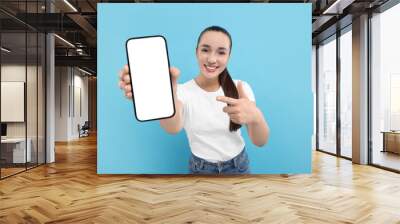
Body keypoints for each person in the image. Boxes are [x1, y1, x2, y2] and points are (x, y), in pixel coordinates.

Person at [119, 26, 270, 174]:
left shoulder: (240, 88)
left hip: (239, 165)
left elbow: (260, 141)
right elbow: (172, 128)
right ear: (196, 52)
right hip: (200, 169)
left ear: (228, 56)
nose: (212, 59)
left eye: (221, 52)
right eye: (205, 50)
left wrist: (256, 116)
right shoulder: (182, 91)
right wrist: (166, 96)